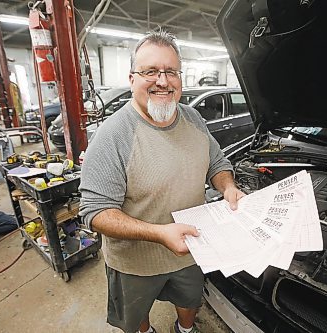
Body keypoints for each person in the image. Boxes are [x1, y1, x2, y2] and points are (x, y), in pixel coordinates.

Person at [79, 29, 245, 333]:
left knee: (190, 299)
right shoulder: (112, 135)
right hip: (134, 262)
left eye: (171, 71)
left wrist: (228, 186)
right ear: (132, 79)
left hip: (191, 248)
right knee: (136, 313)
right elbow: (96, 212)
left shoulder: (193, 119)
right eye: (150, 71)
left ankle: (185, 329)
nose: (163, 81)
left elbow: (218, 164)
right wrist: (159, 233)